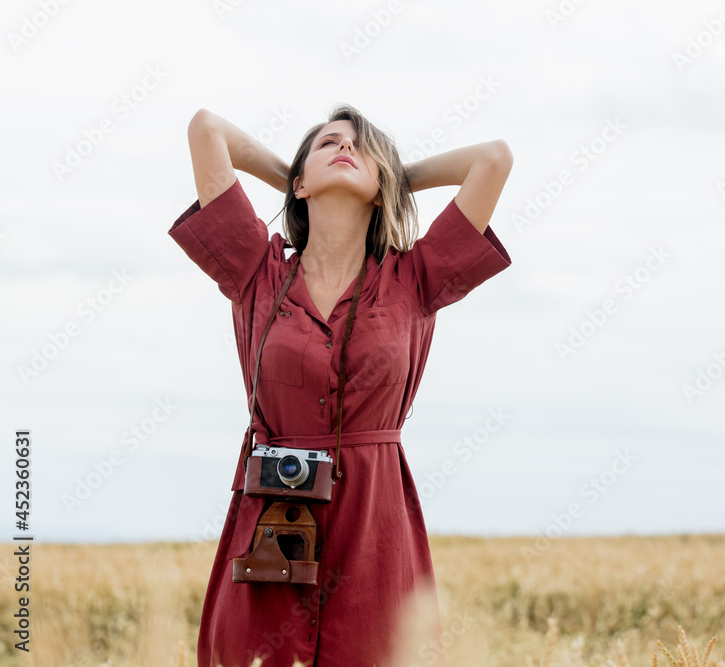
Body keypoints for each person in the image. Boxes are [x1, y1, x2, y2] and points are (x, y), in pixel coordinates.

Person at [168, 103, 513, 667]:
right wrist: (293, 179)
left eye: (362, 146)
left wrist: (394, 178)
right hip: (272, 524)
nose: (347, 148)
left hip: (374, 521)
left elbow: (493, 159)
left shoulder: (414, 277)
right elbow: (207, 128)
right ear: (300, 182)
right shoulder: (258, 270)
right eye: (329, 142)